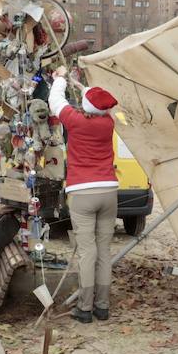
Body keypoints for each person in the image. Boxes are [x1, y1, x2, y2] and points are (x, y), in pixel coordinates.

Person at [50, 66, 119, 323]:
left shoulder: (75, 121)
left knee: (87, 252)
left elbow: (55, 101)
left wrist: (59, 79)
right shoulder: (108, 122)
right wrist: (77, 84)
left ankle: (85, 308)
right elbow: (99, 101)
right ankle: (103, 306)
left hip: (82, 191)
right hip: (109, 191)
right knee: (103, 250)